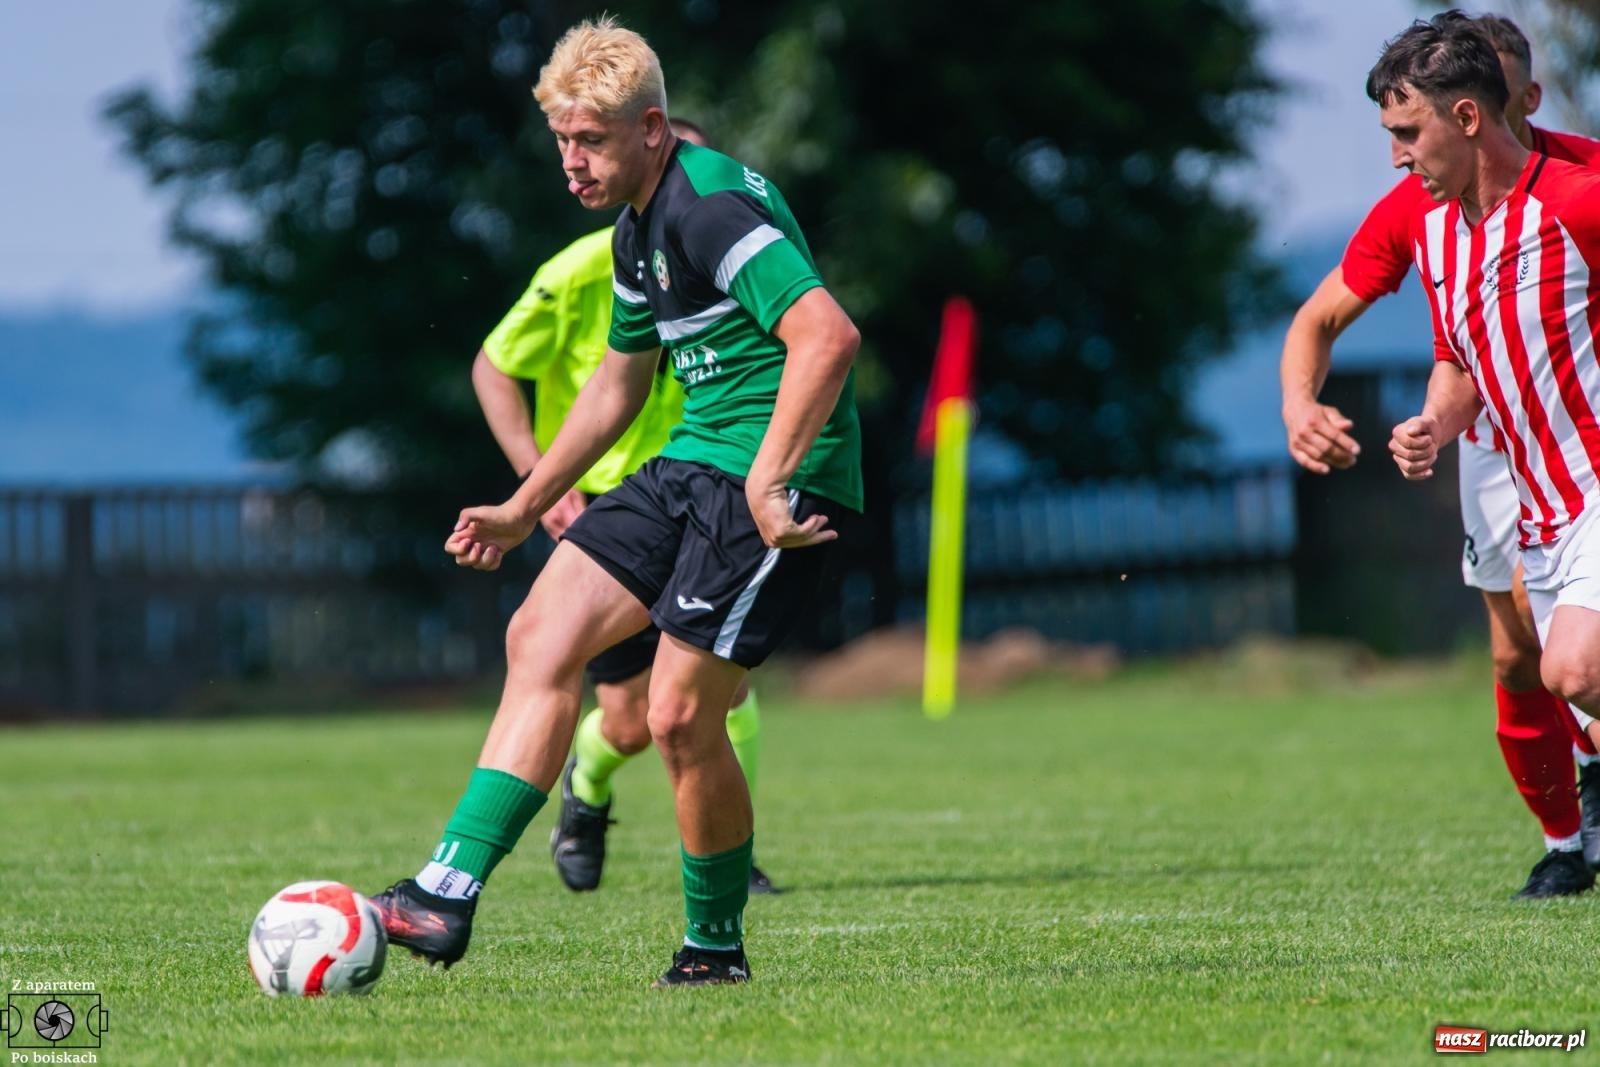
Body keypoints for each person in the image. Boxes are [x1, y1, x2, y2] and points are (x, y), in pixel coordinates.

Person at [372, 15, 863, 987]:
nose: (571, 162)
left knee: (676, 717)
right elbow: (616, 386)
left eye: (589, 140)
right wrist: (524, 506)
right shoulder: (635, 228)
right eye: (561, 140)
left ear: (650, 127)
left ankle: (714, 948)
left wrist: (768, 478)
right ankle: (442, 893)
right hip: (690, 463)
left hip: (774, 480)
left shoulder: (708, 207)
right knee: (538, 634)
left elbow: (828, 335)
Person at [1280, 10, 1600, 899]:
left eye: (1406, 132)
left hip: (1594, 481)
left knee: (1572, 669)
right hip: (1540, 497)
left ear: (1467, 116)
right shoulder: (1440, 228)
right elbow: (1463, 358)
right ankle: (1568, 841)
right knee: (1542, 667)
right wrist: (1430, 420)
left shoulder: (1577, 199)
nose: (1394, 157)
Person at [472, 117, 782, 897]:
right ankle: (587, 782)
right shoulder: (592, 263)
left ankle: (732, 863)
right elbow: (494, 366)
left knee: (720, 691)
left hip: (703, 485)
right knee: (630, 719)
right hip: (605, 505)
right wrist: (536, 481)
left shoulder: (718, 241)